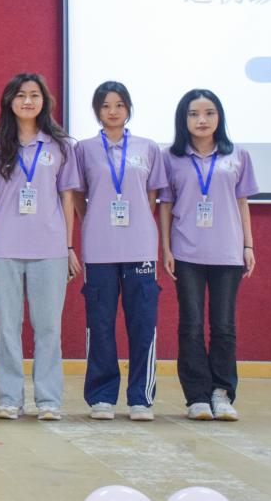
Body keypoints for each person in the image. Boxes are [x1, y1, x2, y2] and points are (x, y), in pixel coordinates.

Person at [0, 73, 80, 421]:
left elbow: (67, 198)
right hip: (4, 245)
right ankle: (10, 399)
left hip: (50, 247)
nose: (27, 101)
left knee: (48, 327)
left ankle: (49, 400)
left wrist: (68, 246)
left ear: (44, 101)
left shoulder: (61, 145)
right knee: (8, 328)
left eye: (34, 95)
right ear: (9, 101)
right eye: (20, 95)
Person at [159, 88, 258, 422]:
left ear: (219, 117)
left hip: (227, 252)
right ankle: (197, 396)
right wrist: (166, 248)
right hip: (187, 251)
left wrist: (248, 245)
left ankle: (222, 393)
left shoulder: (237, 155)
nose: (202, 120)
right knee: (190, 326)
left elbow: (242, 202)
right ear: (183, 119)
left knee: (224, 326)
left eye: (209, 113)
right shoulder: (171, 157)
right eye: (194, 114)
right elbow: (166, 205)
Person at [73, 81, 167, 422]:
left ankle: (141, 398)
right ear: (97, 111)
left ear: (128, 108)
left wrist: (136, 220)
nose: (112, 111)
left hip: (140, 246)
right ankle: (102, 396)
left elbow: (153, 195)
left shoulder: (148, 147)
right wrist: (94, 219)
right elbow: (78, 195)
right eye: (105, 105)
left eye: (119, 105)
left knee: (143, 323)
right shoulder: (83, 149)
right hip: (99, 248)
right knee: (99, 324)